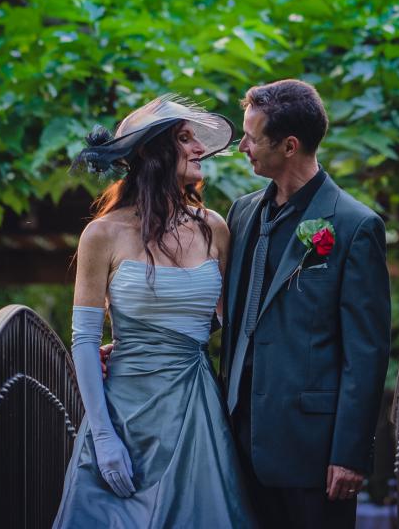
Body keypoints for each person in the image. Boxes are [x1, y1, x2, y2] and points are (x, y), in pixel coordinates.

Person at [52, 94, 257, 528]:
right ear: (150, 152)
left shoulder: (214, 227)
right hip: (125, 411)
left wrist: (166, 339)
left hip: (195, 407)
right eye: (186, 139)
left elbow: (224, 318)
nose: (200, 148)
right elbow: (85, 341)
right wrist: (104, 437)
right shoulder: (102, 234)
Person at [223, 79, 392, 529]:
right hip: (237, 445)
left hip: (313, 454)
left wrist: (349, 455)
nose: (242, 146)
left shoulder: (356, 227)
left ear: (290, 145)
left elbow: (367, 353)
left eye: (252, 138)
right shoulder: (239, 215)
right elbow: (224, 314)